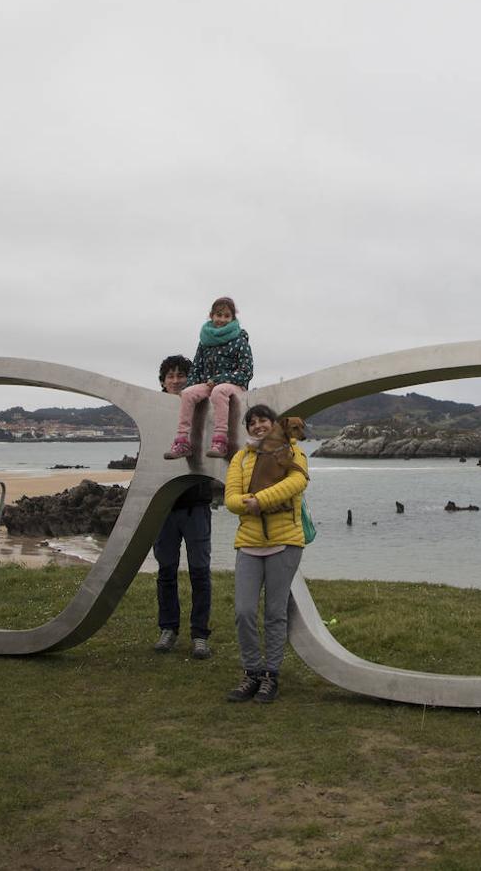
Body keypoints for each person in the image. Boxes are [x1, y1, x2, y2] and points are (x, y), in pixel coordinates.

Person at [222, 404, 309, 704]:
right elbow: (230, 497)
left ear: (275, 424)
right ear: (247, 429)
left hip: (285, 542)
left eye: (263, 421)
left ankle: (271, 676)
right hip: (248, 542)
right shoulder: (241, 457)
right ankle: (251, 673)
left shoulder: (292, 451)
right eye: (252, 422)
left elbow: (297, 482)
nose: (258, 426)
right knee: (244, 612)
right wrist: (248, 502)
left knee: (274, 613)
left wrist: (260, 499)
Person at [152, 355, 214, 659]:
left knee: (200, 572)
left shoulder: (204, 406)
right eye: (170, 375)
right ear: (162, 381)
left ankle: (200, 634)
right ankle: (168, 629)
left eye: (182, 375)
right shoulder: (154, 412)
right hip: (163, 505)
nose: (176, 380)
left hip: (196, 503)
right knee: (166, 571)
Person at [164, 296, 253, 460]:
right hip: (209, 384)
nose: (222, 319)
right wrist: (189, 387)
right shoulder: (205, 341)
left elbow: (246, 371)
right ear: (211, 315)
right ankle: (182, 442)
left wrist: (220, 379)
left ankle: (220, 441)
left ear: (233, 318)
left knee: (219, 391)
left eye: (227, 316)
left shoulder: (240, 340)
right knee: (188, 393)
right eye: (219, 315)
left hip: (233, 384)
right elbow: (197, 367)